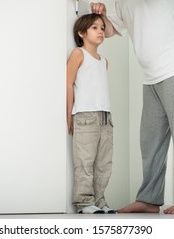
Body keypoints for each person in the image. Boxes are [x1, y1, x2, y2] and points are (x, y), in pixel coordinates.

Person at [71, 0, 174, 214]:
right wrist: (100, 16)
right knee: (151, 141)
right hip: (152, 74)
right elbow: (112, 28)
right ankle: (149, 198)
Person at [67, 13, 116, 214]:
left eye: (102, 28)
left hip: (106, 117)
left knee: (104, 163)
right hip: (85, 116)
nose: (101, 31)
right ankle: (84, 202)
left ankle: (100, 201)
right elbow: (68, 84)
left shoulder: (104, 60)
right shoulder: (78, 54)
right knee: (85, 161)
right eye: (95, 28)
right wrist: (69, 115)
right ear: (81, 33)